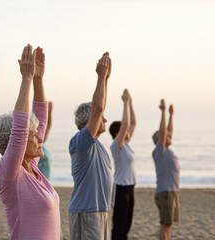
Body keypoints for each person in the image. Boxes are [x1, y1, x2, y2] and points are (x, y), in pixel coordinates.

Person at [0, 44, 61, 239]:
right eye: (33, 135)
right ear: (17, 141)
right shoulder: (10, 175)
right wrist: (26, 79)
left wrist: (38, 79)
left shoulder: (33, 167)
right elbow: (21, 130)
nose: (40, 137)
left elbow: (40, 119)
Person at [68, 52, 113, 240]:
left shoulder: (96, 145)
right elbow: (98, 108)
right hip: (87, 212)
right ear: (89, 121)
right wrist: (101, 77)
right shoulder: (81, 141)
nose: (105, 119)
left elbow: (100, 107)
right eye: (100, 118)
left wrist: (106, 80)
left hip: (100, 211)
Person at [108, 89, 137, 240]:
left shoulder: (125, 144)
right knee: (119, 226)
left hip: (130, 187)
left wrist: (130, 103)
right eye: (122, 131)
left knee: (127, 224)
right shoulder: (116, 145)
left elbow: (132, 123)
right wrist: (125, 102)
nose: (127, 131)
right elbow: (126, 125)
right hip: (121, 188)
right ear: (117, 133)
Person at [152, 99, 180, 240]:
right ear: (160, 140)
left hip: (172, 192)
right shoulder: (160, 151)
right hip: (165, 193)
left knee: (169, 225)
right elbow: (163, 131)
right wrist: (163, 112)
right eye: (166, 136)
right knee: (165, 224)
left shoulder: (168, 151)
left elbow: (168, 131)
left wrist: (171, 115)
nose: (169, 136)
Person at [38, 101, 53, 179]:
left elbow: (48, 129)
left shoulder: (41, 146)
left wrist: (49, 112)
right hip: (37, 183)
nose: (46, 133)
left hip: (46, 182)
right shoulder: (34, 148)